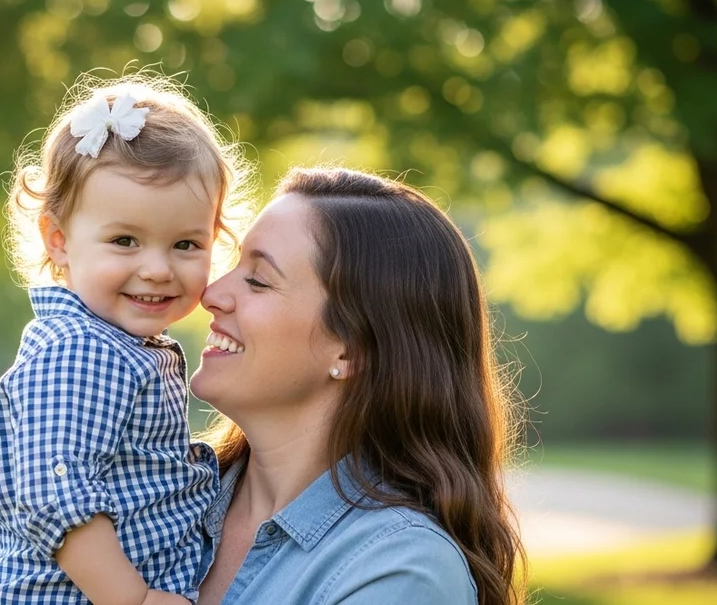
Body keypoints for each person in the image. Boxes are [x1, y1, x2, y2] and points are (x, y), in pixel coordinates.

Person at [0, 75, 252, 605]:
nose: (158, 269)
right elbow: (55, 494)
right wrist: (133, 599)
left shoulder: (123, 347)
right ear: (59, 240)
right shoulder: (80, 351)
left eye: (186, 243)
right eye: (125, 241)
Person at [191, 167, 525, 605]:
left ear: (350, 351)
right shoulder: (162, 497)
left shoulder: (401, 570)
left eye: (257, 280)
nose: (210, 293)